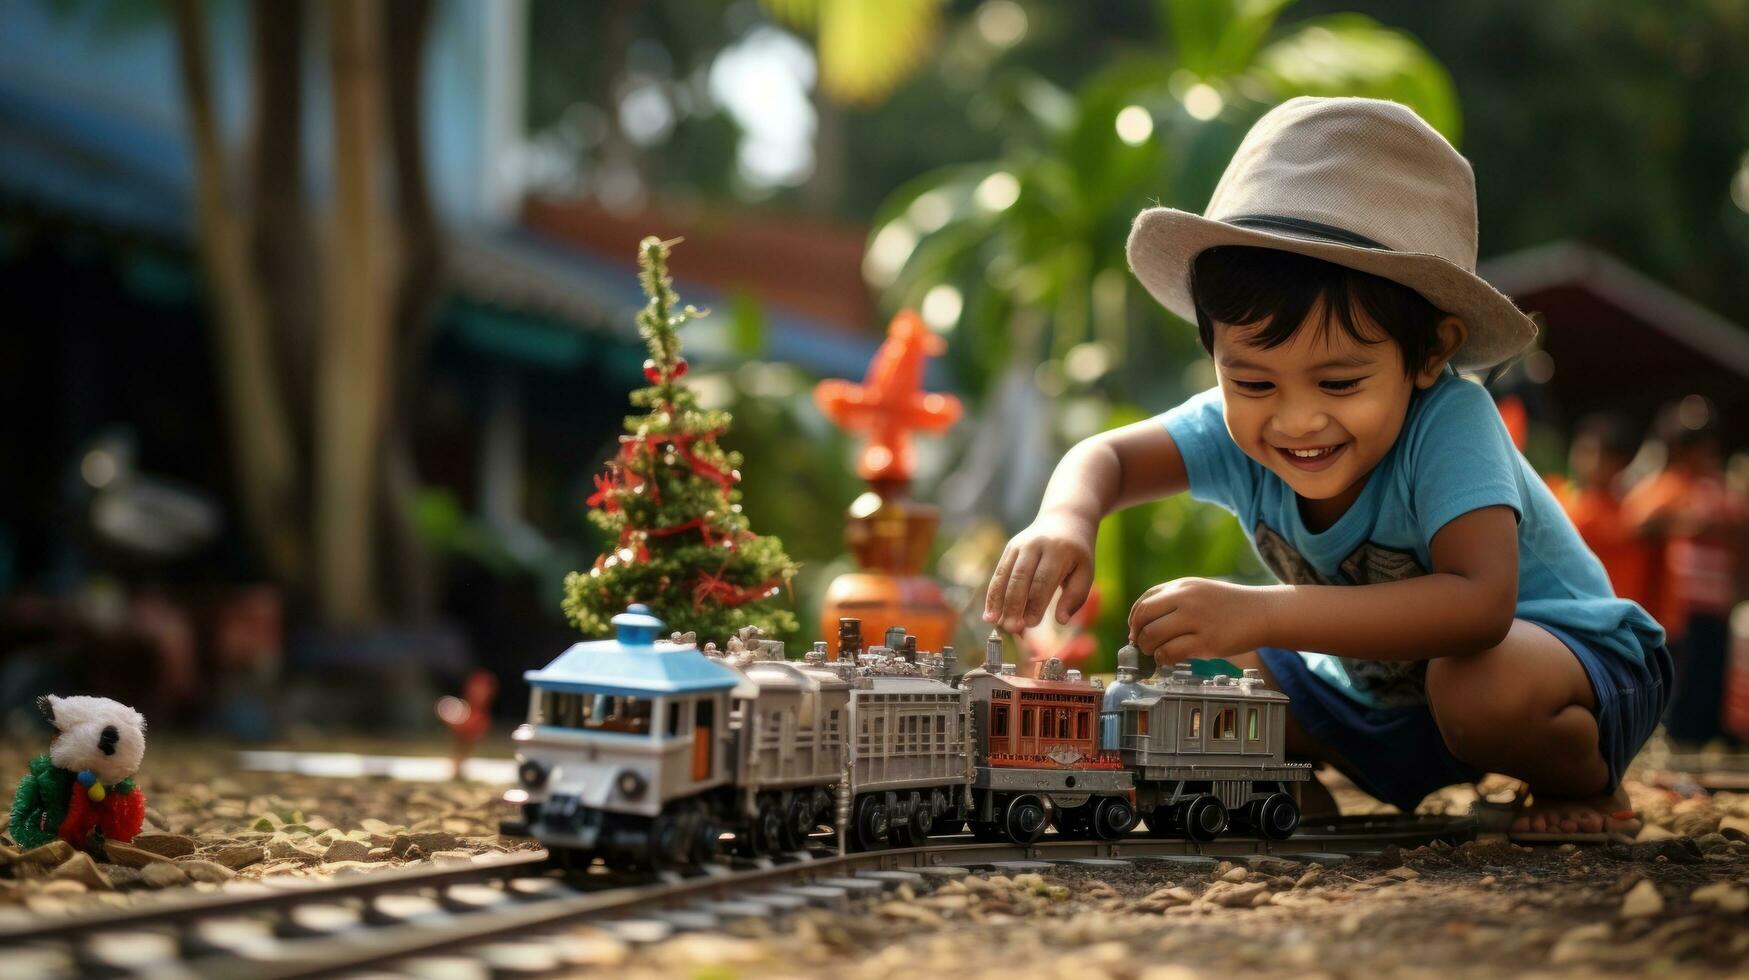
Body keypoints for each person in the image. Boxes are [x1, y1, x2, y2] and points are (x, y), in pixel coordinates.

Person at [983, 97, 1669, 835]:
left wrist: (1260, 609)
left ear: (1430, 353)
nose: (1296, 419)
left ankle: (1585, 781)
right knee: (1214, 665)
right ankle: (1282, 786)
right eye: (1252, 382)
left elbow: (1479, 606)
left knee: (1476, 685)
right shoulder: (1230, 428)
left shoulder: (1449, 421)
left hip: (1563, 668)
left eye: (1339, 383)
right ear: (1213, 353)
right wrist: (1066, 518)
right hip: (1394, 705)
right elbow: (1107, 456)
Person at [1622, 397, 1742, 745]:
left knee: (1706, 683)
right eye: (1692, 442)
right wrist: (1689, 524)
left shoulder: (1721, 488)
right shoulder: (1668, 483)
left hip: (1714, 605)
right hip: (1677, 608)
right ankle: (1669, 742)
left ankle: (1695, 744)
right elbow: (1637, 518)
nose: (1701, 450)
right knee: (1677, 684)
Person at [1557, 413, 1657, 611]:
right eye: (1579, 448)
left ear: (1617, 462)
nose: (1580, 459)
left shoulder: (1630, 511)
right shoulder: (1559, 496)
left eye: (1590, 452)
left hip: (1617, 619)